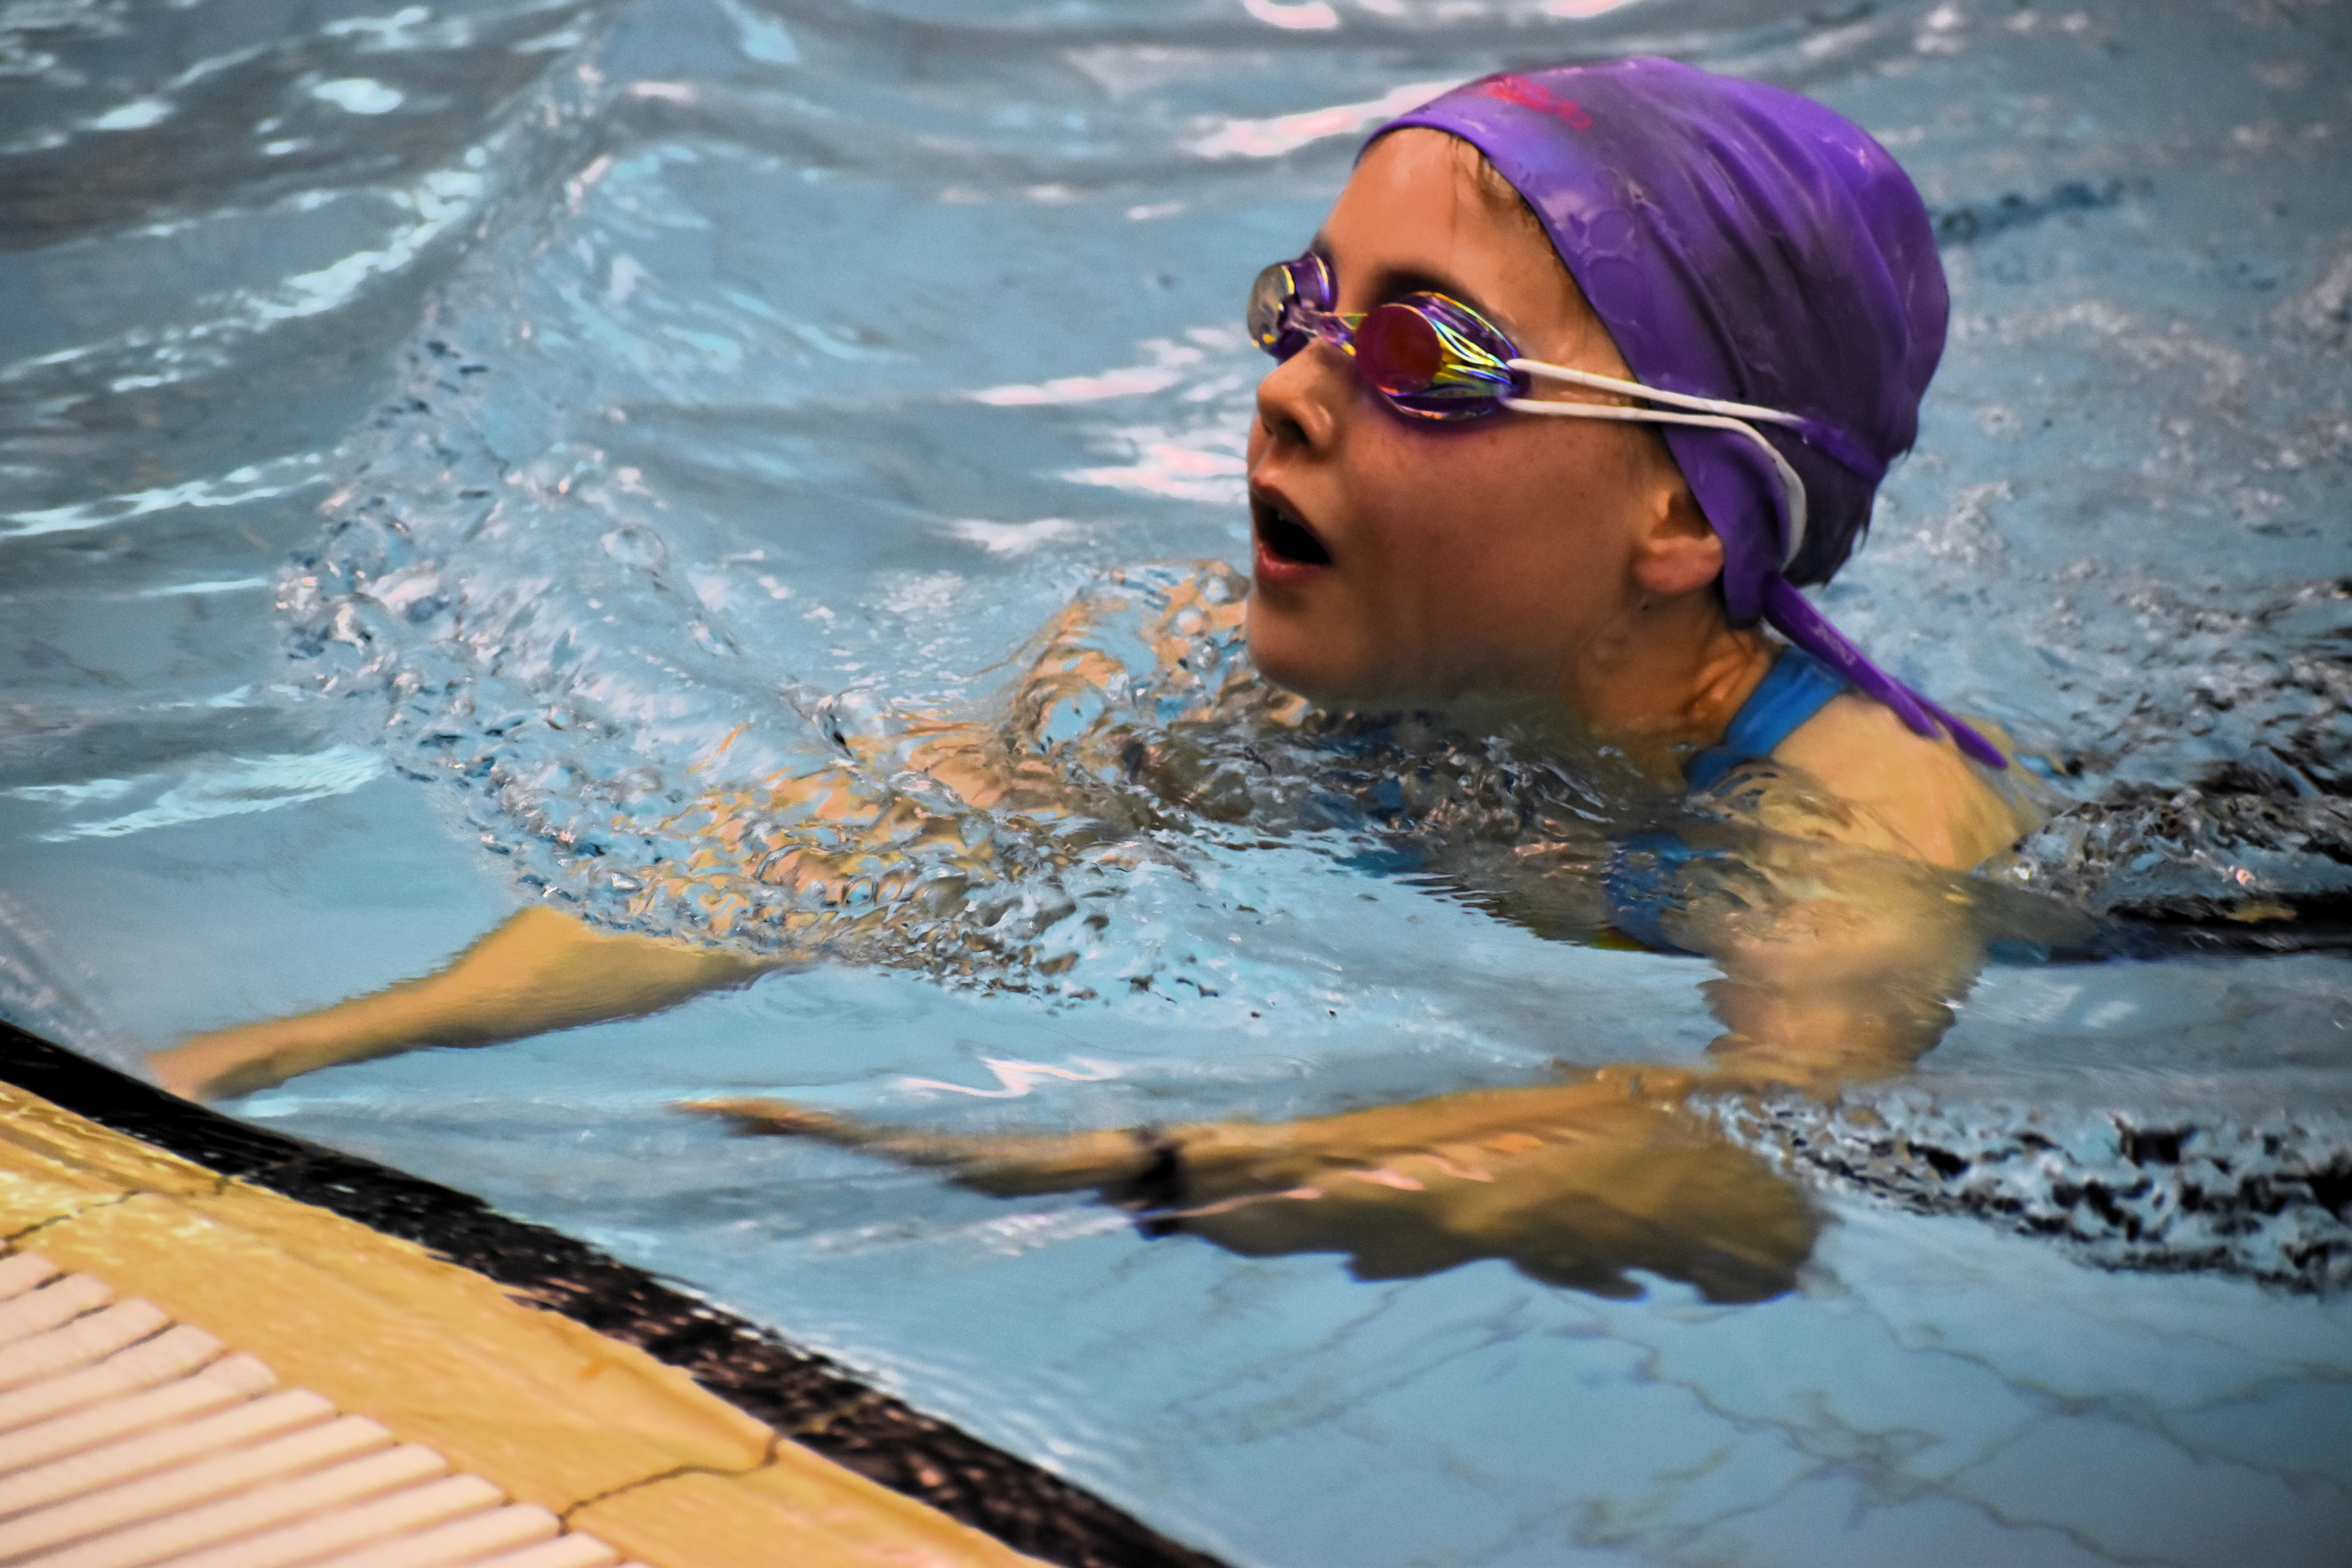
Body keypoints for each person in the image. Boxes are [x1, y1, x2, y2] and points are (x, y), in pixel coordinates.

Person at [152, 58, 2058, 1303]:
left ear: (1676, 507)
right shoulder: (1244, 689)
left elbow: (1756, 1167)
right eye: (1303, 310)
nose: (1294, 389)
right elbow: (808, 858)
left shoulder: (1871, 825)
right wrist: (315, 1050)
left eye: (1425, 355)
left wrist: (1131, 1168)